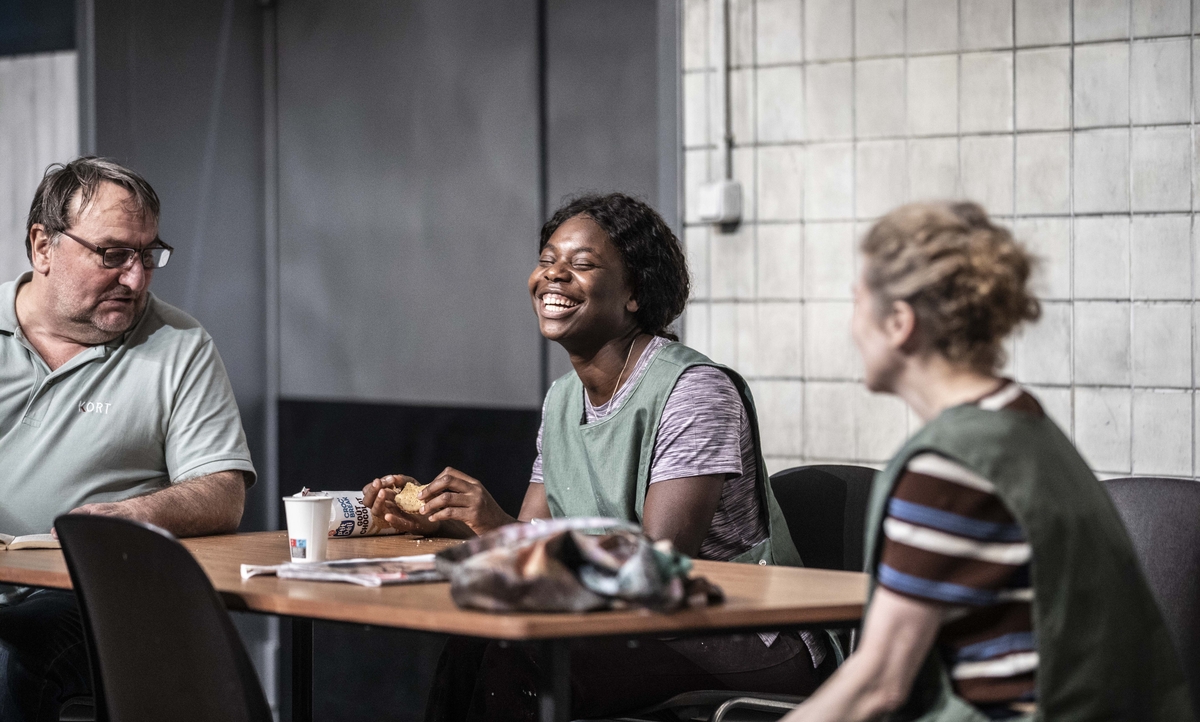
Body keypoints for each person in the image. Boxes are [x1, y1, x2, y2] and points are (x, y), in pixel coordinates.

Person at [362, 193, 825, 720]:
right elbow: (527, 536)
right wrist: (438, 518)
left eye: (580, 265)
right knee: (476, 638)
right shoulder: (563, 399)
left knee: (525, 654)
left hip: (735, 629)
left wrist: (498, 528)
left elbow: (655, 562)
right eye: (546, 260)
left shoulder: (694, 391)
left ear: (633, 293)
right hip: (627, 619)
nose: (553, 276)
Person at [781, 201, 1193, 722]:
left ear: (900, 323)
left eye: (857, 302)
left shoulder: (947, 470)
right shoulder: (1025, 427)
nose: (851, 324)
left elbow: (877, 685)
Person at [0, 157, 257, 722]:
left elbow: (222, 491)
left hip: (92, 601)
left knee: (20, 645)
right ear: (43, 247)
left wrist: (123, 516)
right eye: (113, 254)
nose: (136, 277)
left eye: (147, 255)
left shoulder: (180, 345)